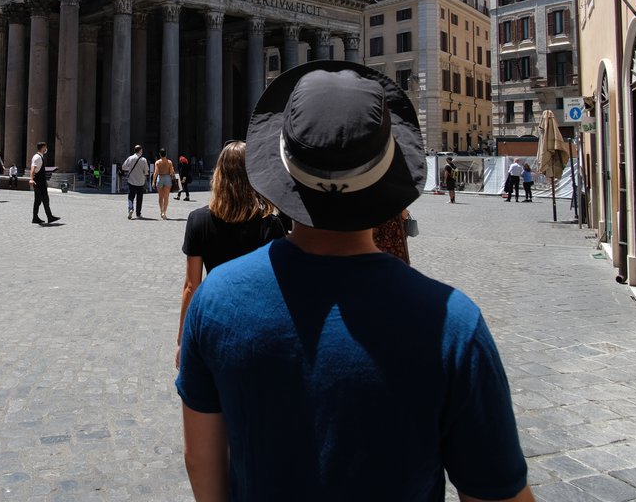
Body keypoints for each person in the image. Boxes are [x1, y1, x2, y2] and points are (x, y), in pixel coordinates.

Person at [176, 61, 533, 501]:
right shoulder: (453, 325)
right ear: (390, 173)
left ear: (281, 171)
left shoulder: (215, 301)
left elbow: (201, 460)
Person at [175, 140, 285, 368]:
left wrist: (182, 339)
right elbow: (281, 285)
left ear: (219, 174)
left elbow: (191, 286)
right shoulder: (270, 224)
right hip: (257, 323)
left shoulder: (198, 220)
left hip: (214, 317)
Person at [29, 142, 59, 225]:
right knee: (45, 199)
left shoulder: (39, 157)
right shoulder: (37, 157)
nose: (46, 149)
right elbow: (33, 168)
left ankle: (35, 218)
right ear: (43, 148)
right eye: (45, 147)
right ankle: (49, 217)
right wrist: (31, 179)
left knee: (38, 200)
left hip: (39, 181)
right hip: (39, 182)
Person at [122, 145, 149, 220]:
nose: (142, 151)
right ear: (140, 151)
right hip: (140, 182)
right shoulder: (143, 160)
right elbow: (146, 171)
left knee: (131, 196)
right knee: (139, 198)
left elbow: (123, 167)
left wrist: (129, 168)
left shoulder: (130, 158)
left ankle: (131, 208)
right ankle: (138, 213)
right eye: (141, 150)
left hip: (131, 180)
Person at [152, 148, 176, 220]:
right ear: (166, 154)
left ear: (160, 154)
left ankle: (161, 211)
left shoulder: (157, 162)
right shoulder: (169, 162)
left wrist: (153, 181)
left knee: (160, 196)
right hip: (167, 178)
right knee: (166, 197)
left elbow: (156, 172)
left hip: (160, 177)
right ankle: (164, 212)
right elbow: (171, 172)